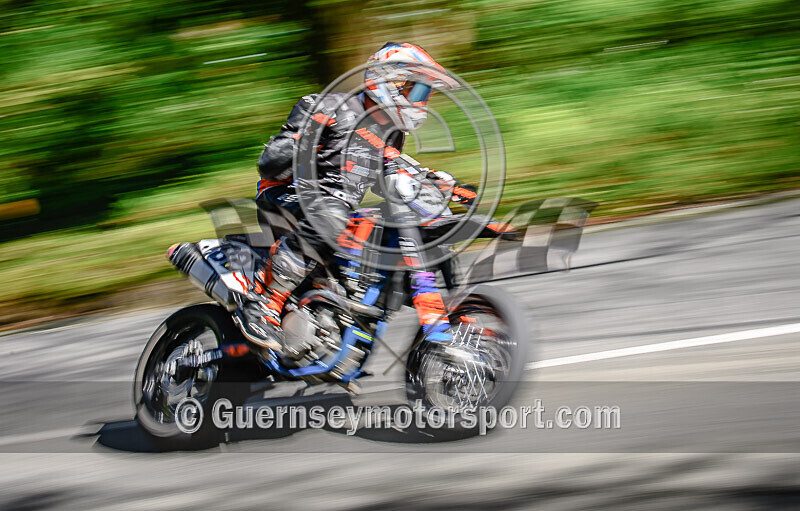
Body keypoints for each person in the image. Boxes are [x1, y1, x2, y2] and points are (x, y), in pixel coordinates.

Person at [242, 42, 471, 352]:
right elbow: (269, 162)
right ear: (390, 81)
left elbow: (391, 171)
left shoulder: (392, 133)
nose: (421, 101)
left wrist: (443, 185)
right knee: (331, 215)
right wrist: (303, 143)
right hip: (285, 197)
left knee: (401, 229)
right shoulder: (328, 106)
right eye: (416, 90)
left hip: (337, 208)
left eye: (425, 94)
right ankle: (262, 303)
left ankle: (451, 314)